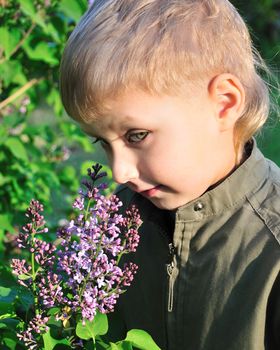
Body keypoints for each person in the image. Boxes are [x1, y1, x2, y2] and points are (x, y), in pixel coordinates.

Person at [59, 1, 280, 349]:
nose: (119, 171)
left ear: (223, 103)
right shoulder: (113, 227)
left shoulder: (272, 247)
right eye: (102, 142)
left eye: (137, 136)